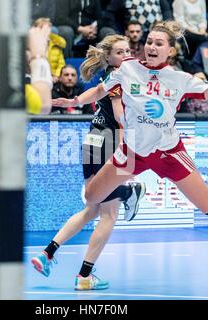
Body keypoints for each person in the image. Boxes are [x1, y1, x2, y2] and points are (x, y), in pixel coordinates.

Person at [53, 21, 208, 238]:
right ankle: (131, 192)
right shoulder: (127, 69)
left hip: (168, 154)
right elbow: (101, 90)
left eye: (159, 43)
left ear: (170, 50)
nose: (151, 46)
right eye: (149, 42)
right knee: (92, 195)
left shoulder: (180, 79)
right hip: (132, 153)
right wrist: (75, 102)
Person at [31, 35, 146, 291]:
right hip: (111, 141)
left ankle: (47, 253)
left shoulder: (109, 76)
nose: (126, 54)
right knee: (109, 215)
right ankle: (84, 276)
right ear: (110, 58)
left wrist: (73, 101)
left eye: (128, 50)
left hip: (92, 140)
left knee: (92, 209)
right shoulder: (121, 77)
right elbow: (119, 115)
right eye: (120, 52)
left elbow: (94, 93)